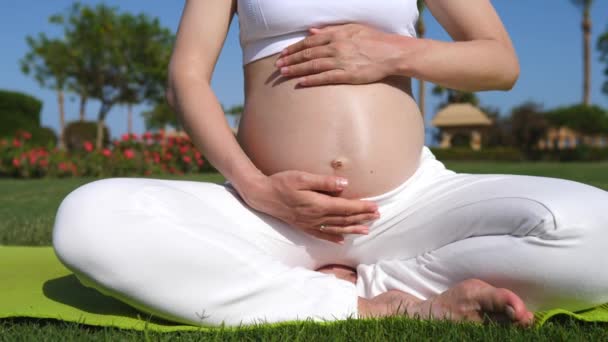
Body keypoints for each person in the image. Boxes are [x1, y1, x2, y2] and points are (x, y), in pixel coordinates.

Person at [53, 0, 608, 327]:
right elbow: (186, 78)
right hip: (270, 215)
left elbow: (499, 61)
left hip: (409, 206)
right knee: (88, 221)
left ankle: (380, 279)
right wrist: (256, 188)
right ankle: (373, 307)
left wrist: (391, 52)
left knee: (598, 233)